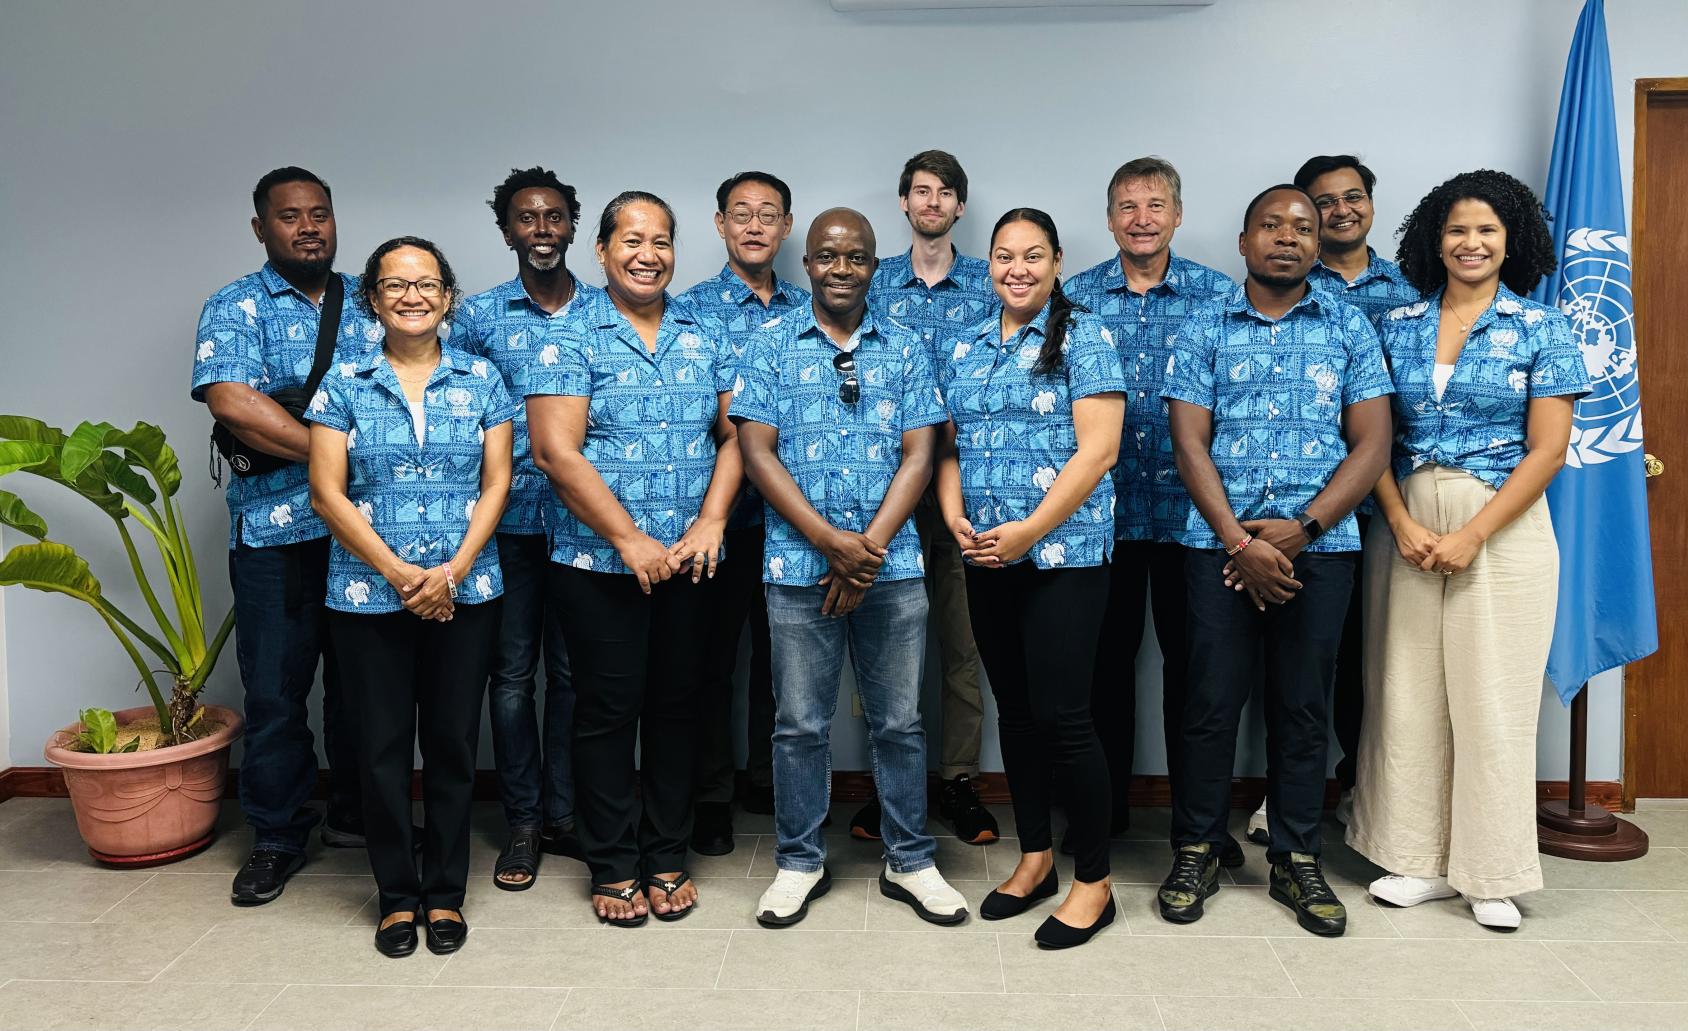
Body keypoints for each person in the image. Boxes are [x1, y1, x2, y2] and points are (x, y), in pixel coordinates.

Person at [1348, 170, 1588, 931]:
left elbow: (1548, 450)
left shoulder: (1543, 328)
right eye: (1456, 230)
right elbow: (1372, 440)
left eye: (1486, 230)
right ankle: (1414, 858)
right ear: (1433, 240)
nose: (1471, 243)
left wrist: (1474, 532)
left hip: (1504, 525)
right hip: (1407, 519)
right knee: (1405, 691)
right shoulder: (1398, 324)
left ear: (1512, 240)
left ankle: (1490, 871)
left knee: (1492, 701)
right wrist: (1401, 518)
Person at [1157, 185, 1393, 938]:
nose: (1287, 238)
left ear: (1319, 243)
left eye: (1303, 227)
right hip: (1217, 549)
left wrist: (1303, 528)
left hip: (1320, 551)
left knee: (1302, 708)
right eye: (1271, 226)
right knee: (1209, 705)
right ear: (1244, 240)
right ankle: (1196, 846)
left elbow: (1372, 444)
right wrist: (1240, 540)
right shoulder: (1203, 325)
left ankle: (1297, 858)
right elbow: (1189, 442)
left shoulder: (1350, 327)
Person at [734, 208, 968, 928]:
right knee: (799, 724)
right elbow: (757, 453)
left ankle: (910, 857)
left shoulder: (904, 345)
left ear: (875, 265)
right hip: (797, 566)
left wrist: (864, 548)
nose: (842, 269)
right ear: (805, 262)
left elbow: (921, 455)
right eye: (828, 256)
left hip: (892, 566)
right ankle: (799, 860)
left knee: (900, 721)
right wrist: (829, 542)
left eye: (857, 257)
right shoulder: (769, 344)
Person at [528, 191, 741, 925]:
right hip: (598, 567)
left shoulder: (702, 332)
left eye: (661, 241)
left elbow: (736, 434)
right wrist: (628, 538)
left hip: (689, 562)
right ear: (602, 250)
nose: (647, 254)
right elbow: (556, 451)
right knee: (607, 715)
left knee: (680, 710)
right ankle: (614, 862)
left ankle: (667, 854)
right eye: (632, 240)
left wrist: (713, 518)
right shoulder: (570, 334)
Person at [306, 236, 514, 958]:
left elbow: (497, 483)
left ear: (447, 296)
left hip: (467, 589)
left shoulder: (484, 379)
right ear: (373, 298)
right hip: (368, 594)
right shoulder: (344, 381)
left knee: (454, 743)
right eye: (395, 285)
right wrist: (400, 574)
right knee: (383, 747)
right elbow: (326, 493)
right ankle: (397, 895)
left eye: (426, 283)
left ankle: (446, 892)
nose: (412, 295)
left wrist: (450, 571)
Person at [936, 208, 1126, 949]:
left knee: (1064, 717)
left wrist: (1028, 533)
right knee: (1014, 712)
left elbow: (1098, 451)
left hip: (1061, 557)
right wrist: (954, 517)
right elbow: (950, 447)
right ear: (988, 263)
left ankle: (1095, 882)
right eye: (1004, 256)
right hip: (986, 555)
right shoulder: (969, 344)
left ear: (1055, 262)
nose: (1017, 268)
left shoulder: (1087, 335)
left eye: (1033, 255)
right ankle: (1036, 857)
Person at [1224, 155, 1421, 846]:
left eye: (1352, 198)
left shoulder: (1406, 289)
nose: (1338, 212)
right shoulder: (1235, 309)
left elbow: (1379, 427)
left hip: (1359, 519)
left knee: (1353, 674)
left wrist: (1314, 524)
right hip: (1265, 521)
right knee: (1265, 680)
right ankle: (1284, 801)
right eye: (1320, 204)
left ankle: (1360, 799)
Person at [191, 167, 371, 906]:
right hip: (275, 532)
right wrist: (326, 446)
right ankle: (275, 836)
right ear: (261, 227)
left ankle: (362, 816)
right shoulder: (234, 305)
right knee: (275, 691)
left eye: (320, 214)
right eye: (291, 216)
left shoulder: (375, 296)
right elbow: (233, 401)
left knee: (368, 688)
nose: (308, 227)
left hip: (367, 532)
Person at [1063, 156, 1238, 860]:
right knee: (1098, 672)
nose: (1142, 218)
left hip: (1192, 519)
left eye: (1155, 205)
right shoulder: (1070, 299)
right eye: (1128, 206)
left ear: (1177, 214)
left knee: (1198, 679)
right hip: (1098, 520)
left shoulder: (1218, 296)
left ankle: (1199, 826)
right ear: (1109, 219)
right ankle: (1097, 819)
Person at [458, 167, 600, 890]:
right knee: (511, 676)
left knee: (573, 676)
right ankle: (521, 818)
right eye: (526, 218)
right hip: (506, 526)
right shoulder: (476, 318)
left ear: (574, 226)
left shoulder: (606, 312)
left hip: (585, 526)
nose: (541, 229)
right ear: (506, 229)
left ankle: (566, 814)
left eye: (553, 217)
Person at [863, 149, 999, 845]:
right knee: (887, 638)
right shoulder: (873, 281)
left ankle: (958, 779)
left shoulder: (990, 282)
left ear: (960, 206)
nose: (932, 202)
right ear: (904, 202)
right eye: (921, 190)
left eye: (945, 192)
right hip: (885, 485)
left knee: (959, 641)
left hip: (966, 487)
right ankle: (892, 783)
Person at [677, 171, 811, 855]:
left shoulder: (812, 308)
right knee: (710, 662)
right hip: (719, 515)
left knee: (782, 662)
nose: (755, 226)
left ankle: (768, 779)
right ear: (721, 223)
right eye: (741, 214)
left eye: (768, 215)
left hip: (794, 517)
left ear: (787, 227)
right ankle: (710, 795)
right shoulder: (688, 311)